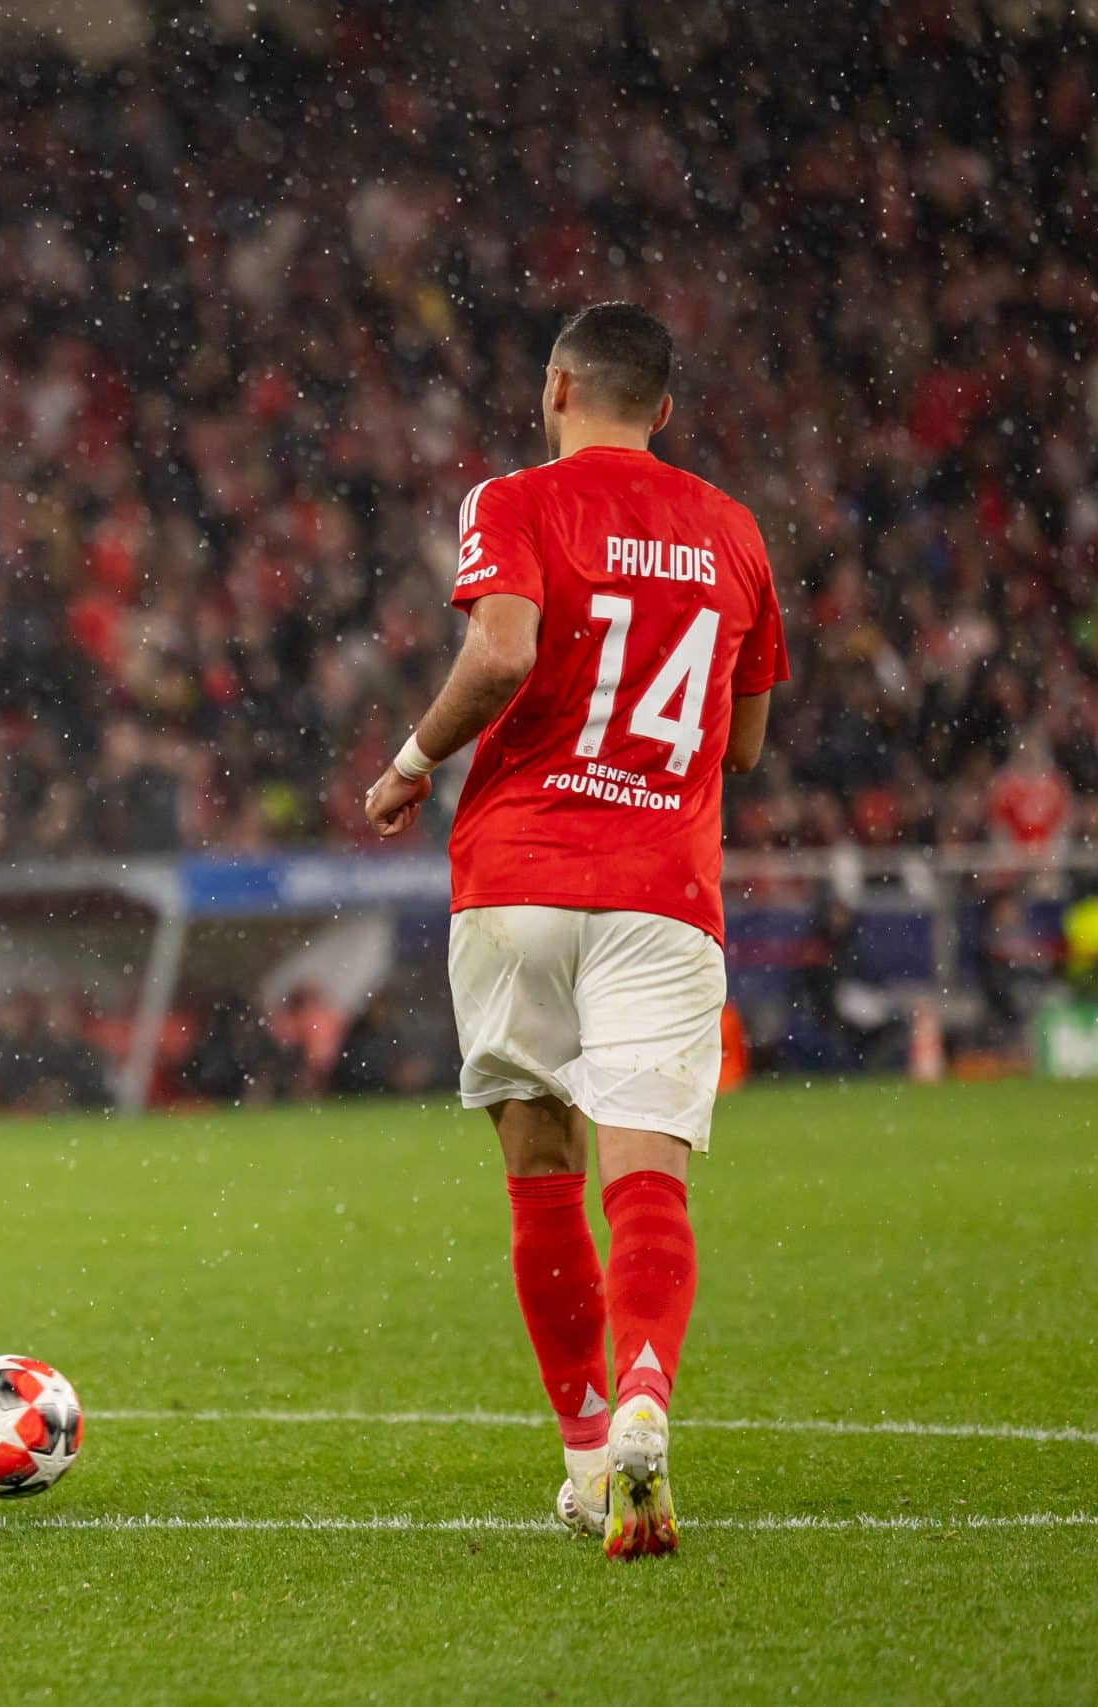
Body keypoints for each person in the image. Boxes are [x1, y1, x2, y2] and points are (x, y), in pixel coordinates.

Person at [362, 303, 787, 1561]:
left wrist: (407, 762)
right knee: (644, 1176)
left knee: (539, 1167)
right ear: (663, 408)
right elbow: (745, 743)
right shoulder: (733, 532)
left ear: (556, 389)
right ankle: (649, 1386)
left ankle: (588, 1450)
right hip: (662, 888)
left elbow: (499, 652)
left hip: (520, 878)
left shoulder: (516, 500)